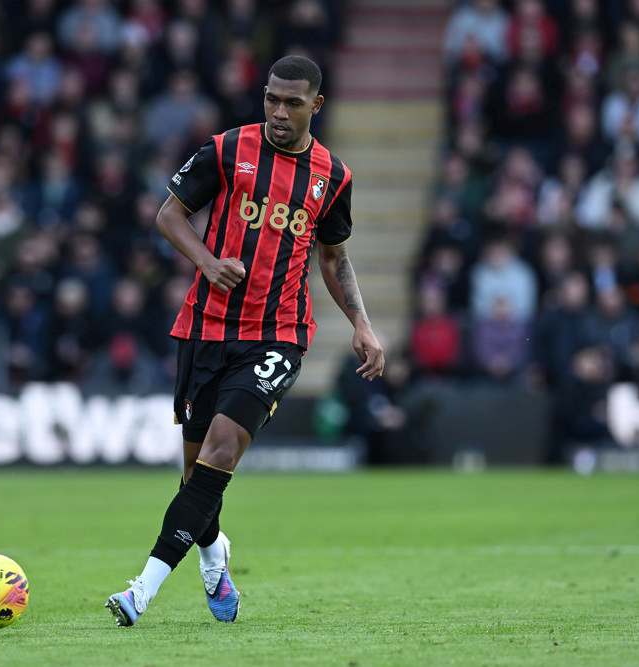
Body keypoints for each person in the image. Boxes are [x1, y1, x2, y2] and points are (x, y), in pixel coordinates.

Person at [104, 55, 385, 627]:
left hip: (278, 336)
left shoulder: (333, 176)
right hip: (205, 328)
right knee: (196, 478)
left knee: (222, 449)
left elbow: (333, 257)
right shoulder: (228, 149)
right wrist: (207, 262)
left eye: (293, 103)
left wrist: (361, 323)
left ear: (317, 105)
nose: (279, 112)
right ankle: (214, 557)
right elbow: (169, 215)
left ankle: (141, 591)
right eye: (271, 100)